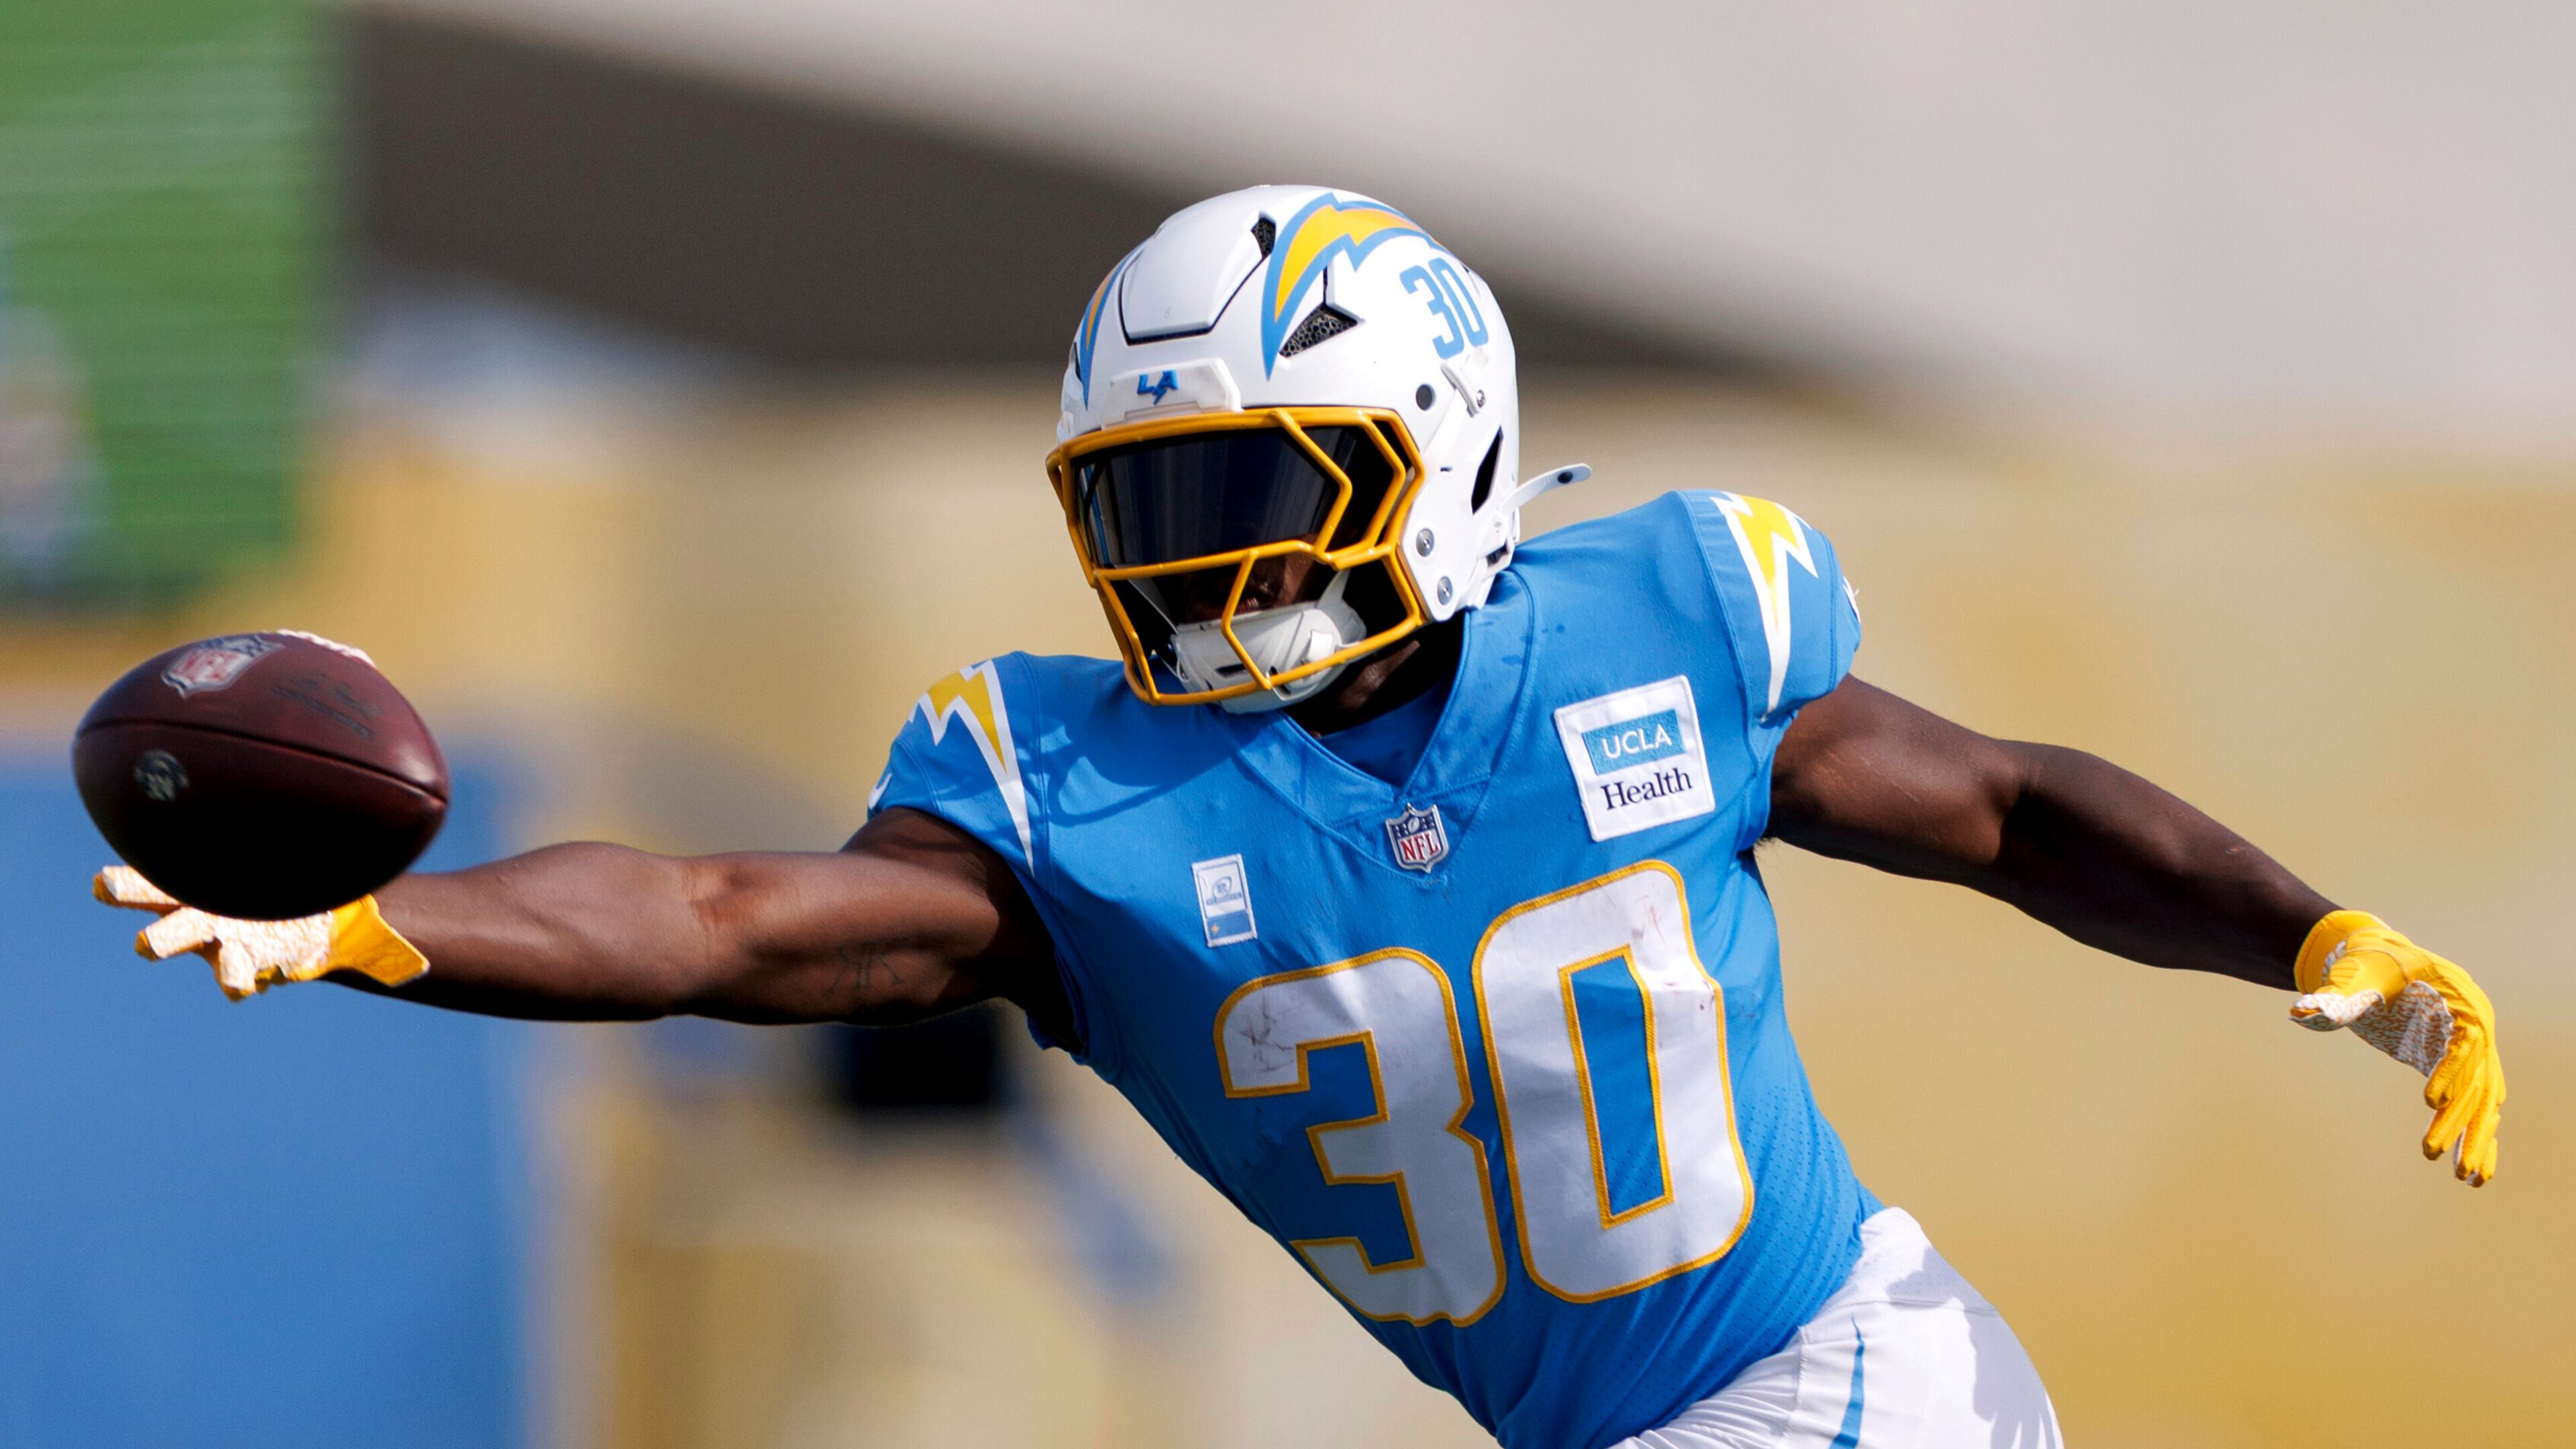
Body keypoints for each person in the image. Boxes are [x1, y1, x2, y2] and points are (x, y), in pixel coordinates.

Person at [97, 186, 2503, 1449]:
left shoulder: (1665, 622)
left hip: (1853, 1387)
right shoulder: (1075, 797)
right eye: (1148, 504)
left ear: (1433, 452)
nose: (1193, 559)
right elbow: (722, 915)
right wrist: (395, 925)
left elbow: (2006, 808)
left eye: (1253, 488)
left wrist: (2311, 935)